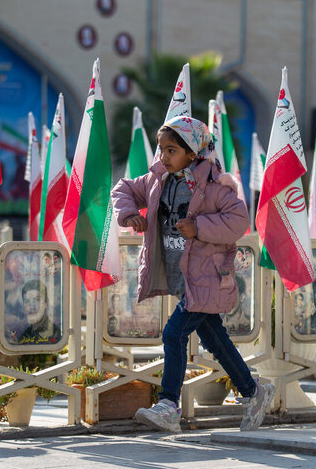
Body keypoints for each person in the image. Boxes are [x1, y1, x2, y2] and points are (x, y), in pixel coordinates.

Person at [112, 116, 274, 433]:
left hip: (207, 278)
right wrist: (131, 214)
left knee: (174, 334)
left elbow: (238, 220)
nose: (163, 157)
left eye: (171, 150)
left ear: (192, 153)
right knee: (214, 338)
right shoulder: (158, 181)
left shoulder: (215, 187)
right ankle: (254, 391)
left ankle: (168, 404)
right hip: (184, 279)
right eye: (161, 149)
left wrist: (198, 227)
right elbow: (123, 189)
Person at [18, 279, 61, 344]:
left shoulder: (55, 334)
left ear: (46, 303)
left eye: (37, 300)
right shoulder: (25, 335)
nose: (32, 307)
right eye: (27, 301)